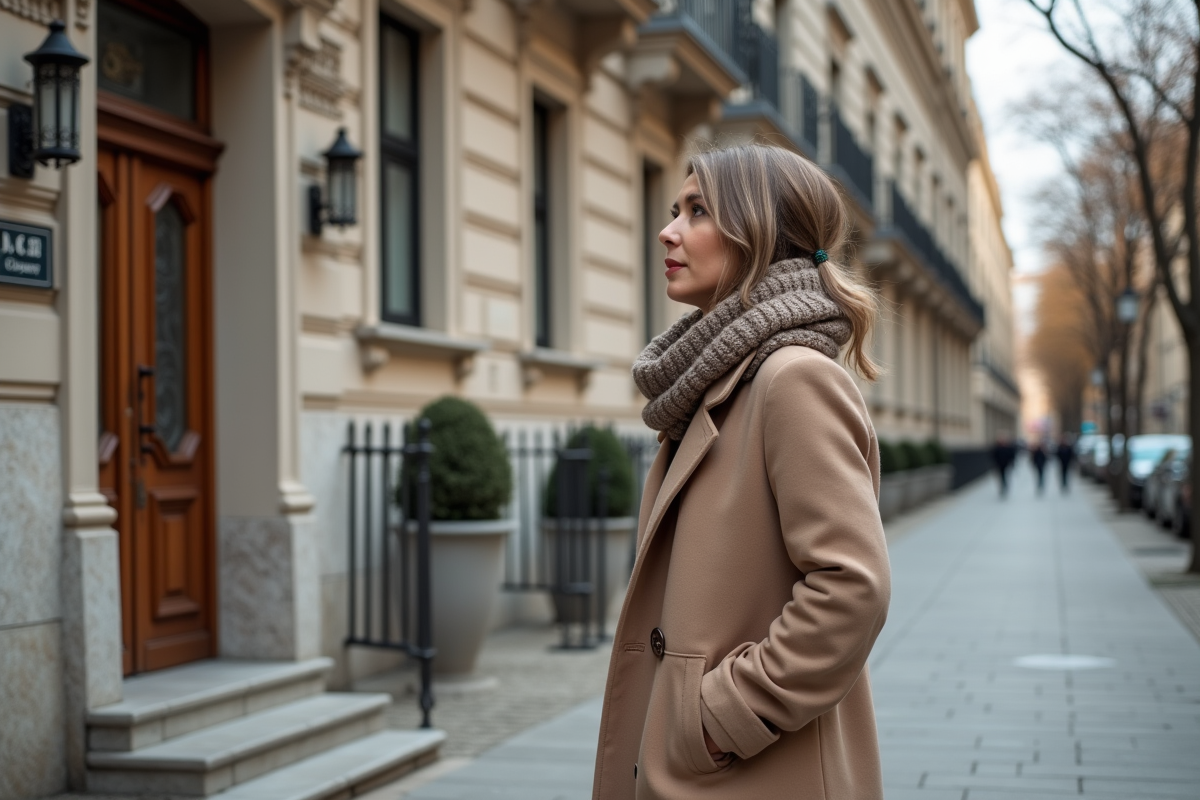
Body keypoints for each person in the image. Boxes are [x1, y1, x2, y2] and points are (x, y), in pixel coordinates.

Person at [592, 145, 891, 800]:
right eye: (675, 210)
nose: (669, 230)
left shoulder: (792, 378)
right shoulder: (715, 378)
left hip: (753, 771)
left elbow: (852, 587)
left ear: (759, 232)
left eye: (698, 211)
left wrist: (723, 713)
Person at [992, 432, 1016, 497]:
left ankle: (1005, 486)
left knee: (1006, 476)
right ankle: (1002, 487)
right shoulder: (997, 448)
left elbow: (1012, 456)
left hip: (1007, 464)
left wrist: (1012, 463)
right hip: (1000, 465)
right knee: (1001, 477)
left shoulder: (1009, 448)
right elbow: (994, 456)